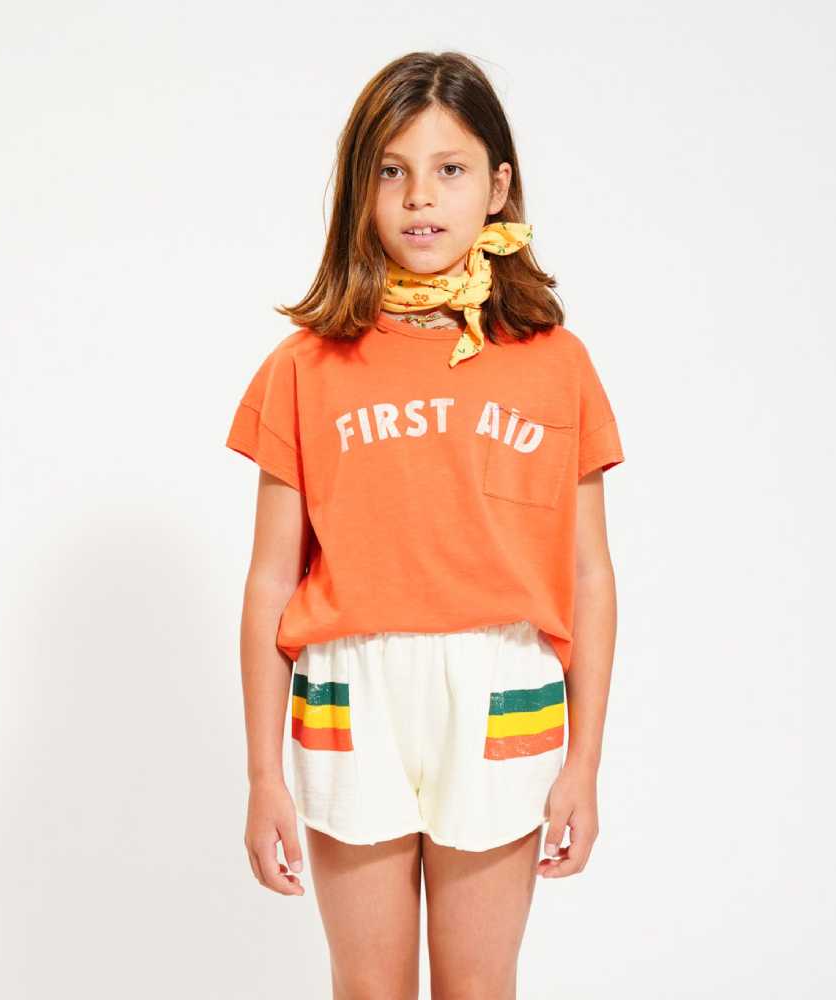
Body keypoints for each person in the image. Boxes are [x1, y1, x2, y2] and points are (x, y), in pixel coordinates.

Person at [225, 50, 625, 1000]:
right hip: (350, 686)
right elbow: (271, 578)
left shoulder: (556, 363)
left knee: (478, 987)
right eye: (391, 171)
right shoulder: (304, 367)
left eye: (450, 169)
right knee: (368, 988)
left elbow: (589, 573)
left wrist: (586, 762)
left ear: (498, 186)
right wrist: (262, 775)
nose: (420, 197)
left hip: (502, 681)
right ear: (360, 191)